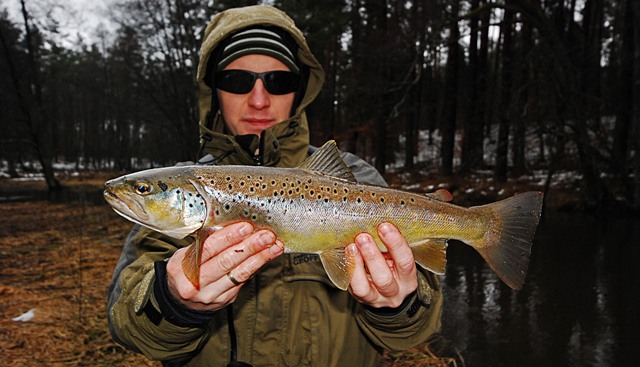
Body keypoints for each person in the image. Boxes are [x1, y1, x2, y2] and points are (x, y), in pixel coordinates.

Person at [107, 5, 442, 367]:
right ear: (213, 90)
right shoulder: (172, 215)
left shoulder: (359, 179)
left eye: (279, 82)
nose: (259, 99)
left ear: (299, 92)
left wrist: (399, 303)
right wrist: (173, 302)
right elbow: (125, 324)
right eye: (237, 81)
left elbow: (415, 331)